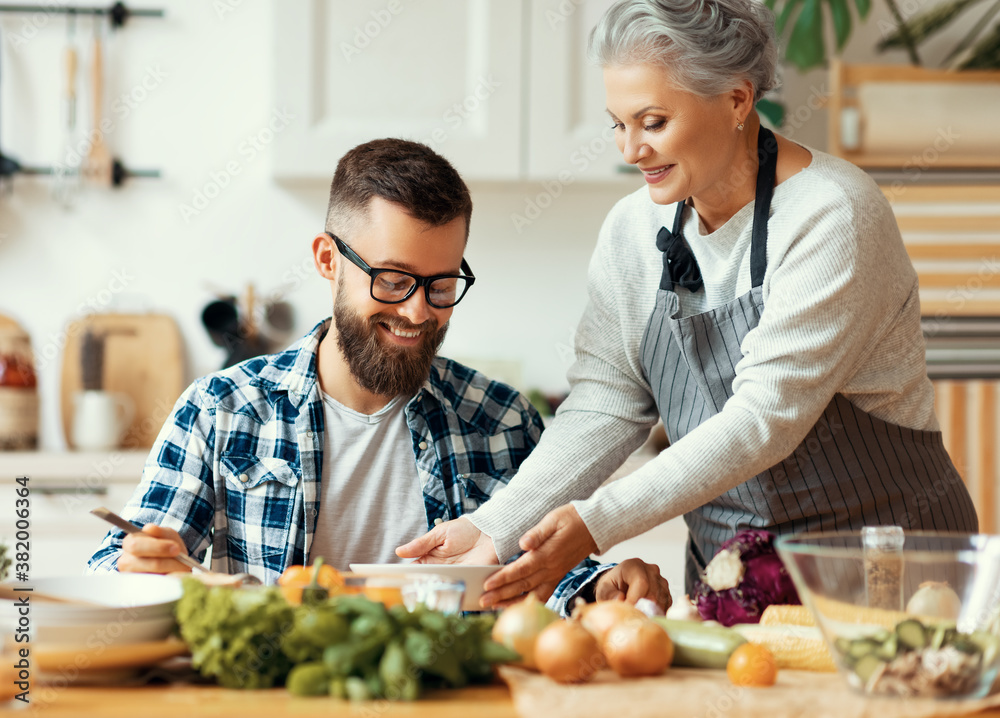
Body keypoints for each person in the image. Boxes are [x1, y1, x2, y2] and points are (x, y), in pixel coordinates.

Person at [398, 0, 979, 606]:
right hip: (737, 583)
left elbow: (764, 418)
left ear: (736, 100)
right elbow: (607, 399)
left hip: (888, 572)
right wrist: (496, 525)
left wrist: (597, 522)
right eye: (616, 124)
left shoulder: (833, 216)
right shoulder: (631, 229)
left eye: (652, 122)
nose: (630, 150)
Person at [87, 138, 671, 616]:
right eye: (392, 280)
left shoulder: (498, 416)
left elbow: (543, 568)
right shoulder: (222, 408)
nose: (418, 312)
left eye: (441, 285)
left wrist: (601, 585)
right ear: (327, 260)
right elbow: (115, 560)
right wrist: (133, 567)